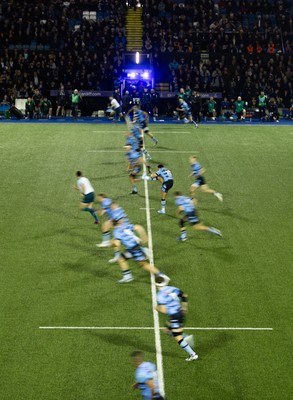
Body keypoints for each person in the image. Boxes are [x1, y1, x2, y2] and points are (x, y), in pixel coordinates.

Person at [111, 218, 170, 283]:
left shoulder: (116, 231)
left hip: (133, 249)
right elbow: (139, 227)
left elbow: (117, 244)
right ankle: (127, 276)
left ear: (112, 225)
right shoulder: (125, 225)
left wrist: (111, 244)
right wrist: (144, 237)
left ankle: (162, 276)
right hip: (133, 247)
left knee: (143, 264)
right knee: (121, 259)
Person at [155, 275, 198, 362]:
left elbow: (163, 310)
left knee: (177, 337)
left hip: (175, 316)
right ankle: (185, 338)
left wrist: (156, 308)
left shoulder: (160, 295)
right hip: (180, 313)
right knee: (167, 329)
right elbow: (184, 296)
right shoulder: (172, 288)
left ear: (156, 285)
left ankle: (192, 354)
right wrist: (185, 307)